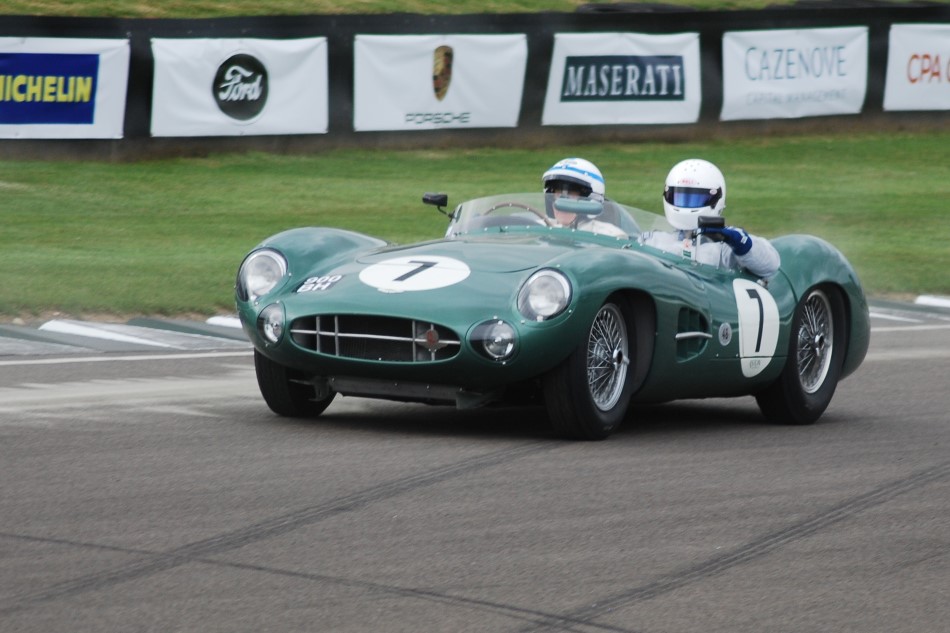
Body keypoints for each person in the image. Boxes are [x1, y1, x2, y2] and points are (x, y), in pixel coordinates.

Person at [640, 158, 780, 278]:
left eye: (696, 199)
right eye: (680, 198)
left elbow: (770, 266)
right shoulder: (652, 240)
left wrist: (742, 243)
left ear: (716, 199)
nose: (686, 206)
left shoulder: (724, 247)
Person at [542, 157, 628, 238]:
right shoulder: (539, 227)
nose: (563, 201)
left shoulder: (610, 236)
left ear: (592, 198)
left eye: (571, 194)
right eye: (557, 193)